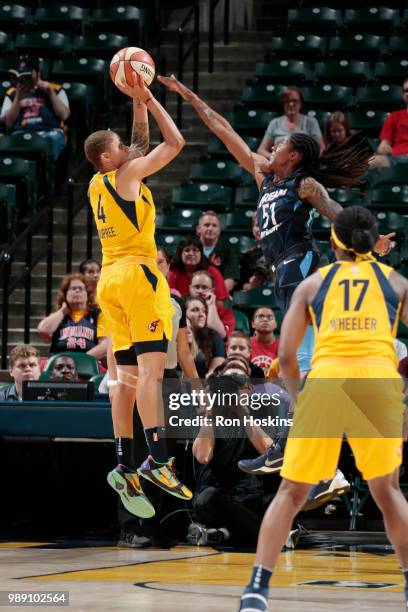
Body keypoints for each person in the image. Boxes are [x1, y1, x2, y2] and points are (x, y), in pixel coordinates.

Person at [158, 73, 395, 375]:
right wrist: (187, 94)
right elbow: (224, 130)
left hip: (302, 260)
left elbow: (336, 211)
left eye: (280, 144)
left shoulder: (304, 184)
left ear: (293, 156)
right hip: (281, 268)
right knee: (303, 349)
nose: (272, 147)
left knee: (305, 349)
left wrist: (370, 242)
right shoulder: (265, 178)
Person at [238, 206, 408, 611]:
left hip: (328, 379)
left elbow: (287, 355)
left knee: (292, 491)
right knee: (388, 492)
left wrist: (299, 400)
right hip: (378, 382)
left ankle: (257, 590)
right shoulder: (396, 282)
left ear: (333, 243)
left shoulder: (314, 283)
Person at [84, 72, 191, 520]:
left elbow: (139, 141)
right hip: (138, 278)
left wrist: (136, 102)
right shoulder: (126, 174)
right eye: (121, 147)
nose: (129, 149)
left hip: (109, 282)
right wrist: (150, 96)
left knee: (123, 380)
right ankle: (158, 459)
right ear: (109, 156)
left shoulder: (98, 184)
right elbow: (175, 142)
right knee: (151, 374)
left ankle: (124, 464)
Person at [190, 361, 274, 547]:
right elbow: (203, 456)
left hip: (249, 496)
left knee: (280, 501)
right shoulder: (207, 418)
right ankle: (265, 534)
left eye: (238, 381)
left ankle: (225, 533)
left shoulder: (260, 415)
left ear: (249, 387)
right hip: (217, 495)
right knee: (206, 499)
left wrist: (241, 412)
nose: (232, 389)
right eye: (227, 383)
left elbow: (269, 453)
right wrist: (211, 412)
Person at [1, 55, 70, 159]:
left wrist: (51, 93)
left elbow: (64, 115)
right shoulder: (12, 93)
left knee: (52, 143)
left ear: (38, 72)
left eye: (29, 73)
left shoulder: (55, 89)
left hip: (50, 132)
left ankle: (47, 173)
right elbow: (8, 122)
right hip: (21, 133)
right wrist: (18, 97)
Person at [37, 273, 108, 359]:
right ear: (65, 294)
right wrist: (63, 311)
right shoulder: (59, 315)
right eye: (73, 288)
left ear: (88, 295)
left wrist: (80, 360)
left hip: (87, 363)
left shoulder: (97, 315)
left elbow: (105, 344)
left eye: (81, 289)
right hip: (59, 364)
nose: (77, 291)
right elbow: (43, 331)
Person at [256, 85, 324, 158]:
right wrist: (274, 157)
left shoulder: (311, 122)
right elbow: (261, 150)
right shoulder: (274, 123)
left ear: (300, 104)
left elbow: (321, 148)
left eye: (294, 101)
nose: (291, 104)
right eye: (287, 101)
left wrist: (309, 161)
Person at [168, 236, 229, 301]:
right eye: (187, 250)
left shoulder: (213, 272)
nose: (191, 253)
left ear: (201, 254)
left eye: (195, 250)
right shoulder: (173, 273)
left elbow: (219, 303)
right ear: (180, 254)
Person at [196, 210, 240, 293]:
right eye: (207, 225)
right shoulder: (192, 248)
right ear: (198, 229)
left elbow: (229, 280)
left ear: (219, 230)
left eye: (214, 226)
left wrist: (217, 296)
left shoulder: (227, 249)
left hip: (218, 295)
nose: (210, 228)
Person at [371, 78, 408, 171]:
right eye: (407, 90)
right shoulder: (394, 117)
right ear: (403, 95)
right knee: (374, 161)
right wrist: (383, 148)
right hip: (398, 159)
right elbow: (383, 145)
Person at [185, 296, 225, 376]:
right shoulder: (175, 334)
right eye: (195, 310)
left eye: (203, 310)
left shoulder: (213, 335)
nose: (201, 314)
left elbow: (217, 365)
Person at [189, 270, 235, 338]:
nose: (200, 291)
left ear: (212, 291)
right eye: (196, 287)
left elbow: (219, 335)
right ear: (190, 289)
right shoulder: (183, 309)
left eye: (204, 287)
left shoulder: (226, 314)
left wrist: (211, 305)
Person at [239, 213, 271, 291]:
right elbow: (242, 285)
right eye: (257, 225)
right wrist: (251, 285)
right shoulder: (247, 256)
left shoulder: (283, 252)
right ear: (253, 229)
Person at [250, 308, 280, 373]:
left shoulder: (283, 347)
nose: (265, 320)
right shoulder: (246, 344)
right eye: (260, 317)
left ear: (275, 324)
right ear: (253, 324)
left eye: (269, 317)